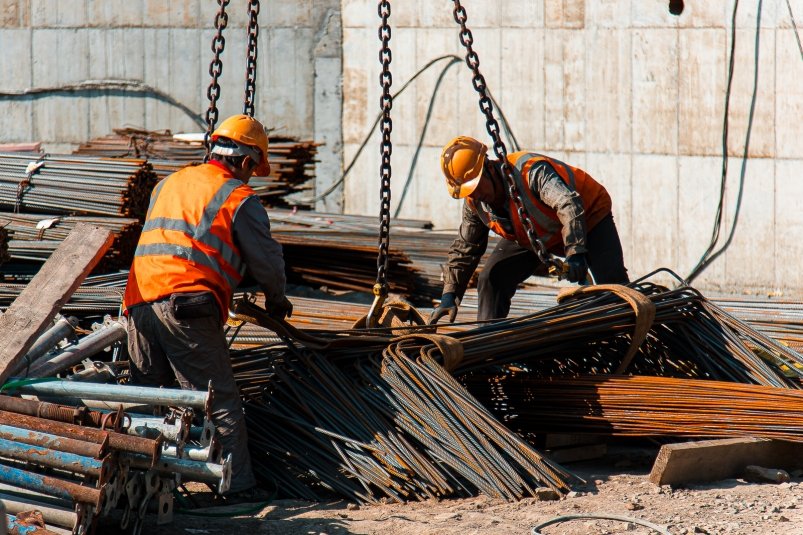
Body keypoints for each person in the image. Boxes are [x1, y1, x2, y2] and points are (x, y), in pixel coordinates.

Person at [123, 114, 292, 500]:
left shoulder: (169, 183)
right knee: (216, 399)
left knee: (151, 398)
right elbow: (266, 260)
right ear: (248, 161)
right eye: (253, 169)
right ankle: (240, 490)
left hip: (137, 301)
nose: (251, 177)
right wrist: (277, 300)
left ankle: (144, 490)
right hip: (186, 304)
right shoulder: (238, 196)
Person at [429, 136, 629, 324]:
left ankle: (629, 335)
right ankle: (488, 338)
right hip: (534, 234)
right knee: (492, 277)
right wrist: (450, 294)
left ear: (488, 167)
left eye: (478, 186)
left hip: (588, 216)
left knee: (614, 289)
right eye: (469, 191)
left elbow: (568, 204)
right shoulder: (475, 202)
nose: (477, 194)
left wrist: (575, 251)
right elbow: (466, 247)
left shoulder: (530, 171)